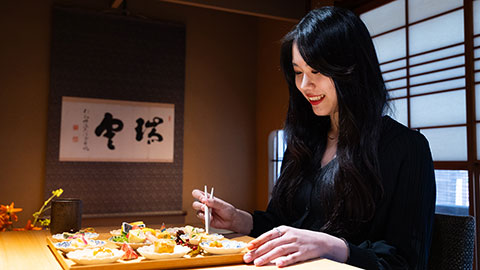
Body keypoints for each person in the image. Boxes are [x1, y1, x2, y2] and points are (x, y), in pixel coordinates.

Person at [192, 6, 436, 270]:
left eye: (317, 71)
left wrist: (332, 246)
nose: (304, 85)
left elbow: (407, 262)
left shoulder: (407, 149)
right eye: (298, 72)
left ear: (351, 69)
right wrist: (240, 220)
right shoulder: (305, 141)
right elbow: (282, 223)